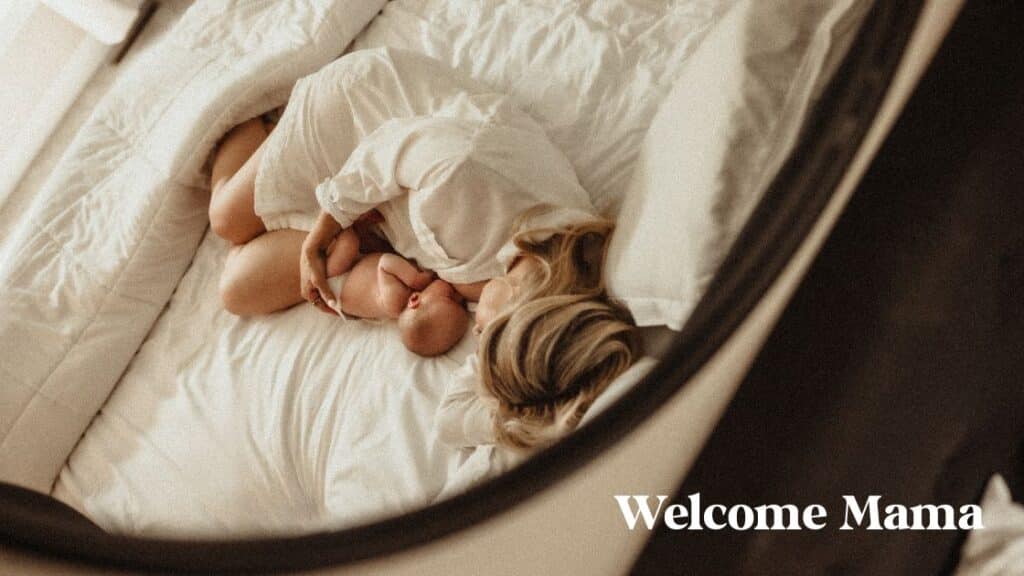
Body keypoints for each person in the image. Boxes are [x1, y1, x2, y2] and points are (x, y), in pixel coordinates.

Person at [208, 48, 635, 449]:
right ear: (525, 304)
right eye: (485, 336)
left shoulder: (540, 304)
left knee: (236, 289)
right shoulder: (468, 182)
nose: (475, 333)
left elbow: (453, 419)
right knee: (225, 220)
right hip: (368, 119)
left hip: (397, 206)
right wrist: (327, 225)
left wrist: (549, 419)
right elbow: (391, 147)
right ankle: (251, 110)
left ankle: (290, 204)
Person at [321, 228, 469, 357]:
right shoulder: (403, 302)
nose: (459, 294)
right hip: (354, 276)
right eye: (460, 303)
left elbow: (385, 264)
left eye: (451, 297)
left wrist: (415, 279)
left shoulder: (395, 301)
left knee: (349, 241)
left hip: (335, 282)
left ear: (414, 300)